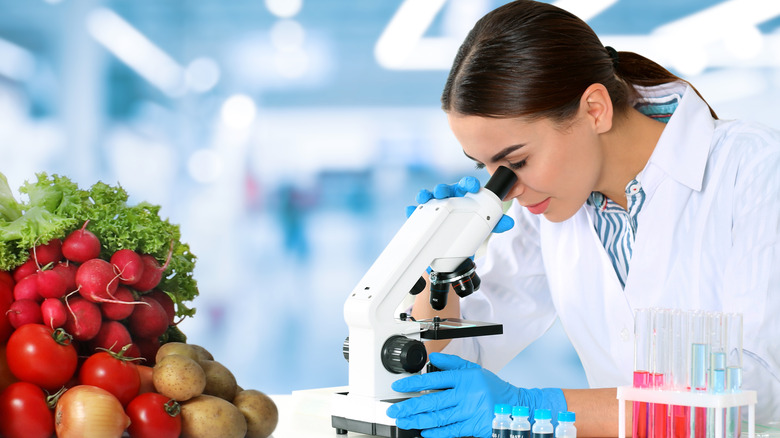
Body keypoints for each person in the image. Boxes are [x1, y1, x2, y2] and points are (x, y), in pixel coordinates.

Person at [384, 1, 780, 437]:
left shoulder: (755, 166)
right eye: (489, 169)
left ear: (595, 109)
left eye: (516, 160)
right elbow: (462, 356)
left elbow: (760, 384)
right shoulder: (552, 205)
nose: (507, 189)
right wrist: (436, 268)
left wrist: (539, 407)